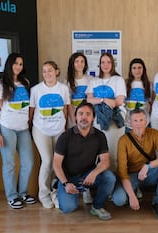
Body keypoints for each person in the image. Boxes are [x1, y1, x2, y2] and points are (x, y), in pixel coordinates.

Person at [53, 102, 116, 220]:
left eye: (88, 114)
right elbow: (56, 163)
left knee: (109, 177)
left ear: (93, 118)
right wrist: (65, 183)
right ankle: (58, 188)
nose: (84, 117)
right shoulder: (65, 136)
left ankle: (97, 207)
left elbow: (105, 161)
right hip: (69, 178)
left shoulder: (100, 136)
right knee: (68, 208)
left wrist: (94, 173)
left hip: (88, 175)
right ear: (76, 117)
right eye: (81, 114)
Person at [112, 108, 158, 220]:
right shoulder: (123, 140)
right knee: (119, 200)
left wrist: (148, 166)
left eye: (141, 120)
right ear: (130, 123)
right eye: (135, 121)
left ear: (146, 122)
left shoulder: (154, 134)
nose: (138, 124)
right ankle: (133, 191)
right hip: (131, 176)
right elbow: (122, 171)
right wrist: (131, 196)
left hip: (148, 173)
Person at [0, 52, 36, 209]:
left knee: (28, 163)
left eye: (21, 64)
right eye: (16, 63)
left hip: (23, 129)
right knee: (9, 164)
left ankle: (23, 193)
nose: (18, 66)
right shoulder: (0, 84)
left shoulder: (26, 82)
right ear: (9, 64)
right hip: (7, 128)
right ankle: (12, 196)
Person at [29, 61, 70, 208]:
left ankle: (55, 192)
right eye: (44, 71)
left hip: (59, 130)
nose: (47, 74)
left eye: (50, 71)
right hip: (41, 129)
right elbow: (31, 111)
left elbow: (65, 109)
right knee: (47, 160)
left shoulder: (63, 89)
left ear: (57, 72)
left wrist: (65, 127)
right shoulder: (36, 90)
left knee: (57, 162)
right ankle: (43, 194)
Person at [86, 52, 126, 172]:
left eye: (108, 62)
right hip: (97, 119)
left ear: (112, 64)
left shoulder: (118, 80)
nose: (105, 65)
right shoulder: (94, 81)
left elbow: (118, 101)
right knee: (96, 153)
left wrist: (99, 101)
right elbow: (89, 99)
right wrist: (104, 100)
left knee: (112, 153)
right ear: (99, 65)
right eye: (103, 62)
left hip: (114, 118)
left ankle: (113, 182)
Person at [65, 52, 94, 204]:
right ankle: (72, 186)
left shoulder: (90, 80)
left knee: (88, 155)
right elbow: (68, 104)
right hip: (74, 122)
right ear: (72, 63)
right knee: (75, 155)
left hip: (87, 122)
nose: (80, 64)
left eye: (82, 61)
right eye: (77, 61)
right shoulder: (67, 82)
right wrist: (73, 120)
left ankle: (87, 190)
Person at [124, 58, 152, 132]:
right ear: (131, 70)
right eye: (134, 68)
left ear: (143, 69)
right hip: (129, 124)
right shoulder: (125, 83)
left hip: (145, 124)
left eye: (139, 68)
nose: (137, 70)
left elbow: (151, 103)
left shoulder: (149, 85)